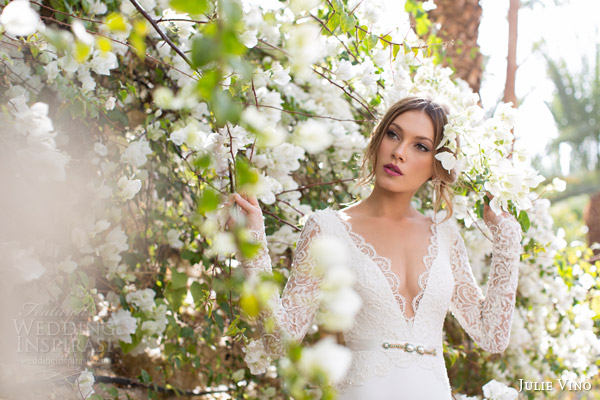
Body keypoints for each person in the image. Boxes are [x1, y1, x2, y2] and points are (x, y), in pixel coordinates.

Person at [227, 97, 523, 399]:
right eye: (393, 134)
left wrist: (508, 240)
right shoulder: (327, 229)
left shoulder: (446, 236)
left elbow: (492, 336)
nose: (398, 152)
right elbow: (280, 341)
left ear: (438, 164)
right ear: (378, 139)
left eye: (420, 146)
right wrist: (253, 247)